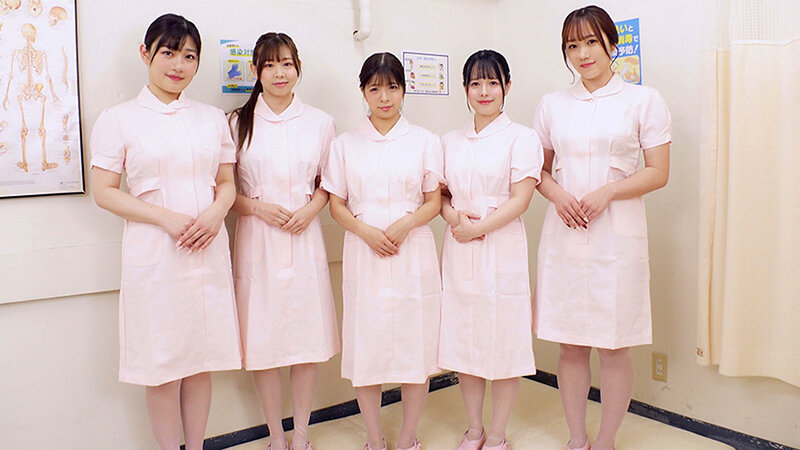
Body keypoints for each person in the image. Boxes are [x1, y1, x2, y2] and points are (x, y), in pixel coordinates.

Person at [90, 13, 241, 450]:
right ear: (146, 54)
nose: (178, 65)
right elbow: (104, 192)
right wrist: (165, 218)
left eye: (189, 56)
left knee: (199, 361)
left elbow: (227, 182)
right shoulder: (119, 119)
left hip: (207, 249)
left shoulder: (211, 118)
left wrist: (217, 212)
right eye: (169, 53)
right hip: (155, 254)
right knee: (162, 368)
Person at [532, 6, 671, 450]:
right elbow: (539, 171)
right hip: (566, 231)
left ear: (612, 43)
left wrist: (608, 192)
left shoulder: (643, 100)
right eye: (573, 45)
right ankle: (577, 437)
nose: (583, 53)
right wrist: (558, 196)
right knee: (571, 344)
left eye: (591, 41)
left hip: (617, 234)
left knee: (614, 345)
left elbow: (659, 172)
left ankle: (607, 439)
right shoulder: (552, 105)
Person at [321, 52, 443, 450]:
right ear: (363, 91)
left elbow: (433, 201)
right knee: (367, 348)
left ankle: (408, 437)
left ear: (404, 90)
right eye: (375, 88)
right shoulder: (344, 144)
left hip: (413, 251)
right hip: (365, 250)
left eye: (392, 87)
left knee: (416, 346)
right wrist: (365, 232)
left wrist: (406, 224)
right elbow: (336, 204)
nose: (385, 97)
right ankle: (374, 437)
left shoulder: (425, 141)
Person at [228, 32, 340, 450]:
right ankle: (276, 436)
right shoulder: (236, 122)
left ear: (298, 68)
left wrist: (311, 211)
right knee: (264, 342)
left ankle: (302, 434)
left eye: (287, 64)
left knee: (307, 341)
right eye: (270, 64)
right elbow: (223, 190)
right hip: (256, 240)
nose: (279, 73)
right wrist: (257, 209)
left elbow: (330, 184)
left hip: (304, 238)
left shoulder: (320, 122)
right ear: (255, 70)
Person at [439, 49, 542, 450]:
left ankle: (497, 434)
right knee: (465, 340)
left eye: (493, 83)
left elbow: (521, 199)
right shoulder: (449, 141)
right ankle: (474, 429)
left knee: (504, 343)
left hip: (501, 248)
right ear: (466, 89)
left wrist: (477, 228)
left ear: (507, 86)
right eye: (476, 83)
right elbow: (440, 196)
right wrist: (454, 219)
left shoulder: (522, 138)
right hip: (460, 248)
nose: (484, 92)